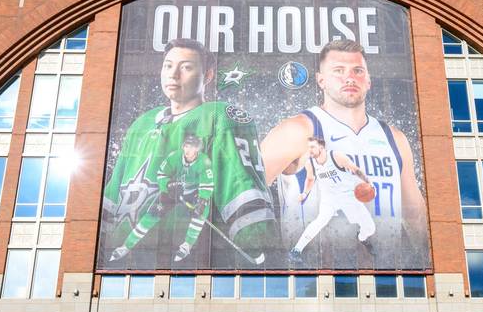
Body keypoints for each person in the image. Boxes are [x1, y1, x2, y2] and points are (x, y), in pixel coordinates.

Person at [101, 38, 276, 265]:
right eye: (168, 66)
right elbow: (112, 193)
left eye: (186, 67)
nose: (173, 75)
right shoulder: (142, 123)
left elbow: (240, 186)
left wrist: (259, 247)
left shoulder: (218, 117)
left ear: (208, 76)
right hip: (125, 263)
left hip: (186, 263)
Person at [261, 39, 427, 257]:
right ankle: (297, 251)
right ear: (321, 80)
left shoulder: (394, 138)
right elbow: (248, 185)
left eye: (358, 71)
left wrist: (429, 258)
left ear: (369, 80)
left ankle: (366, 242)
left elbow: (415, 215)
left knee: (367, 227)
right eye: (338, 70)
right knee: (321, 222)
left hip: (385, 273)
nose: (349, 78)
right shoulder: (298, 129)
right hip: (313, 273)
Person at [110, 134, 213, 263]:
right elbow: (161, 174)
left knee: (202, 210)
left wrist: (202, 201)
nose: (187, 150)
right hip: (173, 190)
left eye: (191, 147)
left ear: (197, 149)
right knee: (153, 213)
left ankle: (187, 245)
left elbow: (207, 184)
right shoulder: (174, 156)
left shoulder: (204, 161)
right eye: (186, 146)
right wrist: (168, 185)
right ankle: (126, 246)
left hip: (194, 192)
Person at [288, 135, 375, 264]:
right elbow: (310, 179)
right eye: (308, 148)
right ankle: (296, 250)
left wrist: (369, 182)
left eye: (312, 147)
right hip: (329, 197)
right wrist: (305, 193)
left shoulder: (336, 156)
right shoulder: (310, 162)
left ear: (321, 147)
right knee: (320, 220)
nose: (310, 150)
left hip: (347, 195)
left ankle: (362, 238)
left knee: (370, 228)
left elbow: (355, 170)